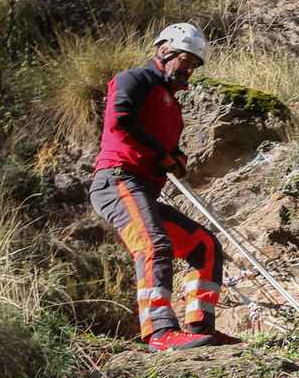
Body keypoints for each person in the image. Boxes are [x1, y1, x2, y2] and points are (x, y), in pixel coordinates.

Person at [89, 23, 234, 351]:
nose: (190, 70)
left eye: (195, 65)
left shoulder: (172, 104)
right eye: (186, 60)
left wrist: (176, 158)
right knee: (154, 246)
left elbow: (163, 148)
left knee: (204, 245)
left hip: (144, 188)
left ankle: (201, 325)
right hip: (118, 180)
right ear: (164, 50)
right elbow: (120, 121)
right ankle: (159, 332)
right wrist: (162, 154)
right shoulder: (134, 80)